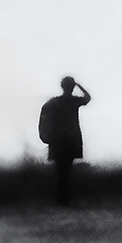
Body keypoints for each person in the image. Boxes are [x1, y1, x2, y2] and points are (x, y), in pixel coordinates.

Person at [38, 76, 91, 204]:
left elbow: (44, 116)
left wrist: (45, 135)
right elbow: (87, 97)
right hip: (70, 140)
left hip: (57, 140)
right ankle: (63, 199)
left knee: (60, 171)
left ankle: (61, 199)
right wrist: (78, 85)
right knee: (66, 171)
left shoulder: (54, 102)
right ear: (72, 87)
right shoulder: (73, 101)